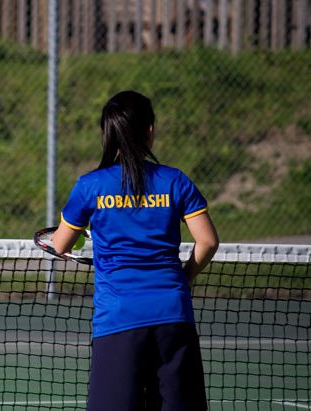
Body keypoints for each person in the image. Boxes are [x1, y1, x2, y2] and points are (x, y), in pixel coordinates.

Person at [51, 90, 219, 411]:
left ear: (108, 134)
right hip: (173, 314)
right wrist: (186, 277)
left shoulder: (89, 186)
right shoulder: (176, 181)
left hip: (118, 320)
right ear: (150, 130)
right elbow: (208, 241)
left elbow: (60, 244)